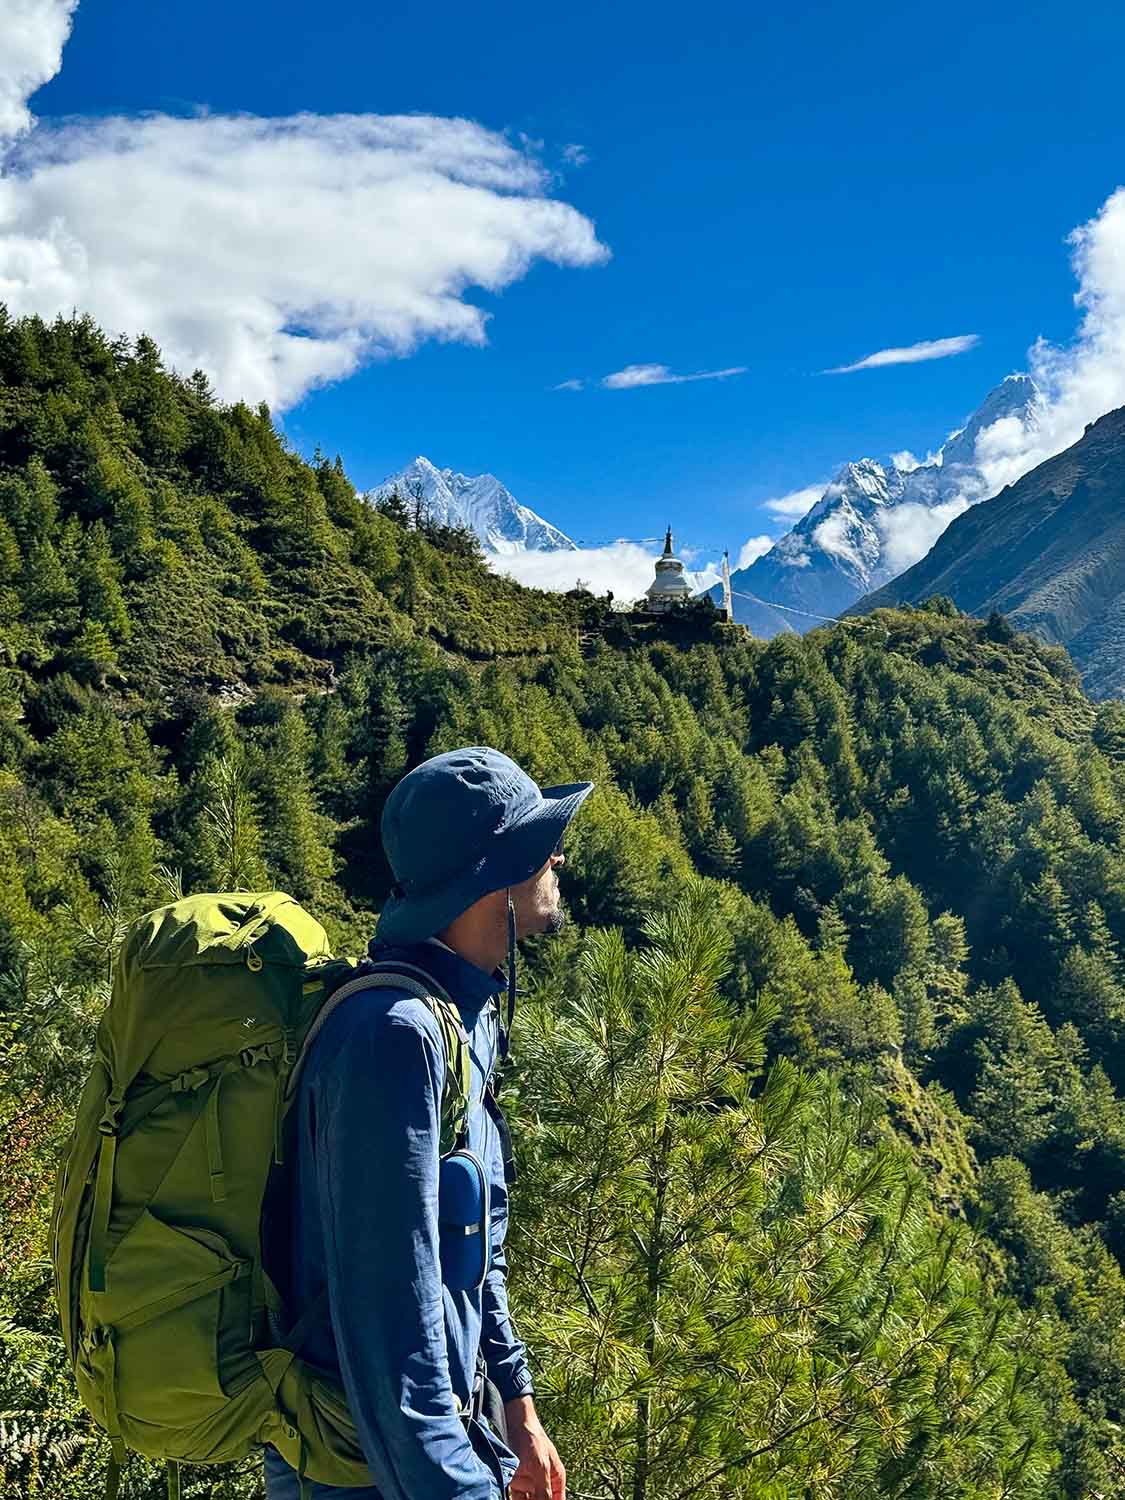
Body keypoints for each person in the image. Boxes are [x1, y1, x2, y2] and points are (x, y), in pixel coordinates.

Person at [264, 746, 593, 1500]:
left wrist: (518, 1409)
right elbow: (388, 1328)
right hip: (360, 1470)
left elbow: (475, 1247)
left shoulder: (462, 1019)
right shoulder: (392, 1035)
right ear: (494, 877)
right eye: (542, 846)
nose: (559, 858)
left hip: (437, 1445)